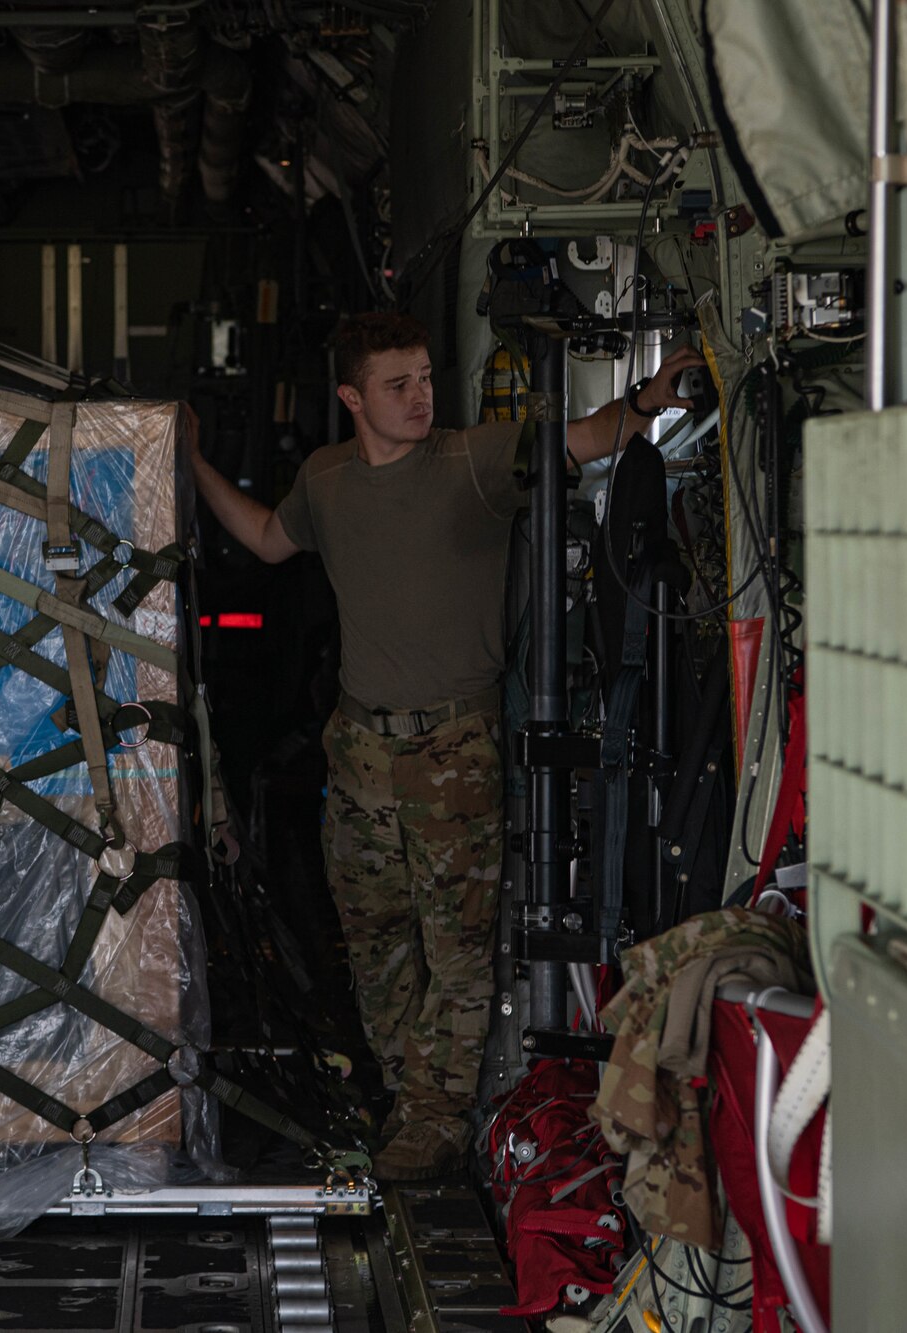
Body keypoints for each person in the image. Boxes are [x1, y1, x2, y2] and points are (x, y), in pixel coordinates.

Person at [188, 311, 706, 1180]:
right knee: (376, 939)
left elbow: (581, 438)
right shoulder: (326, 478)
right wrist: (193, 464)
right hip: (359, 747)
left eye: (425, 377)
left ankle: (433, 1121)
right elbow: (269, 539)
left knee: (457, 949)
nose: (421, 395)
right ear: (352, 397)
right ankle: (408, 1098)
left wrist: (646, 402)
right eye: (398, 384)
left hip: (453, 749)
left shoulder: (474, 459)